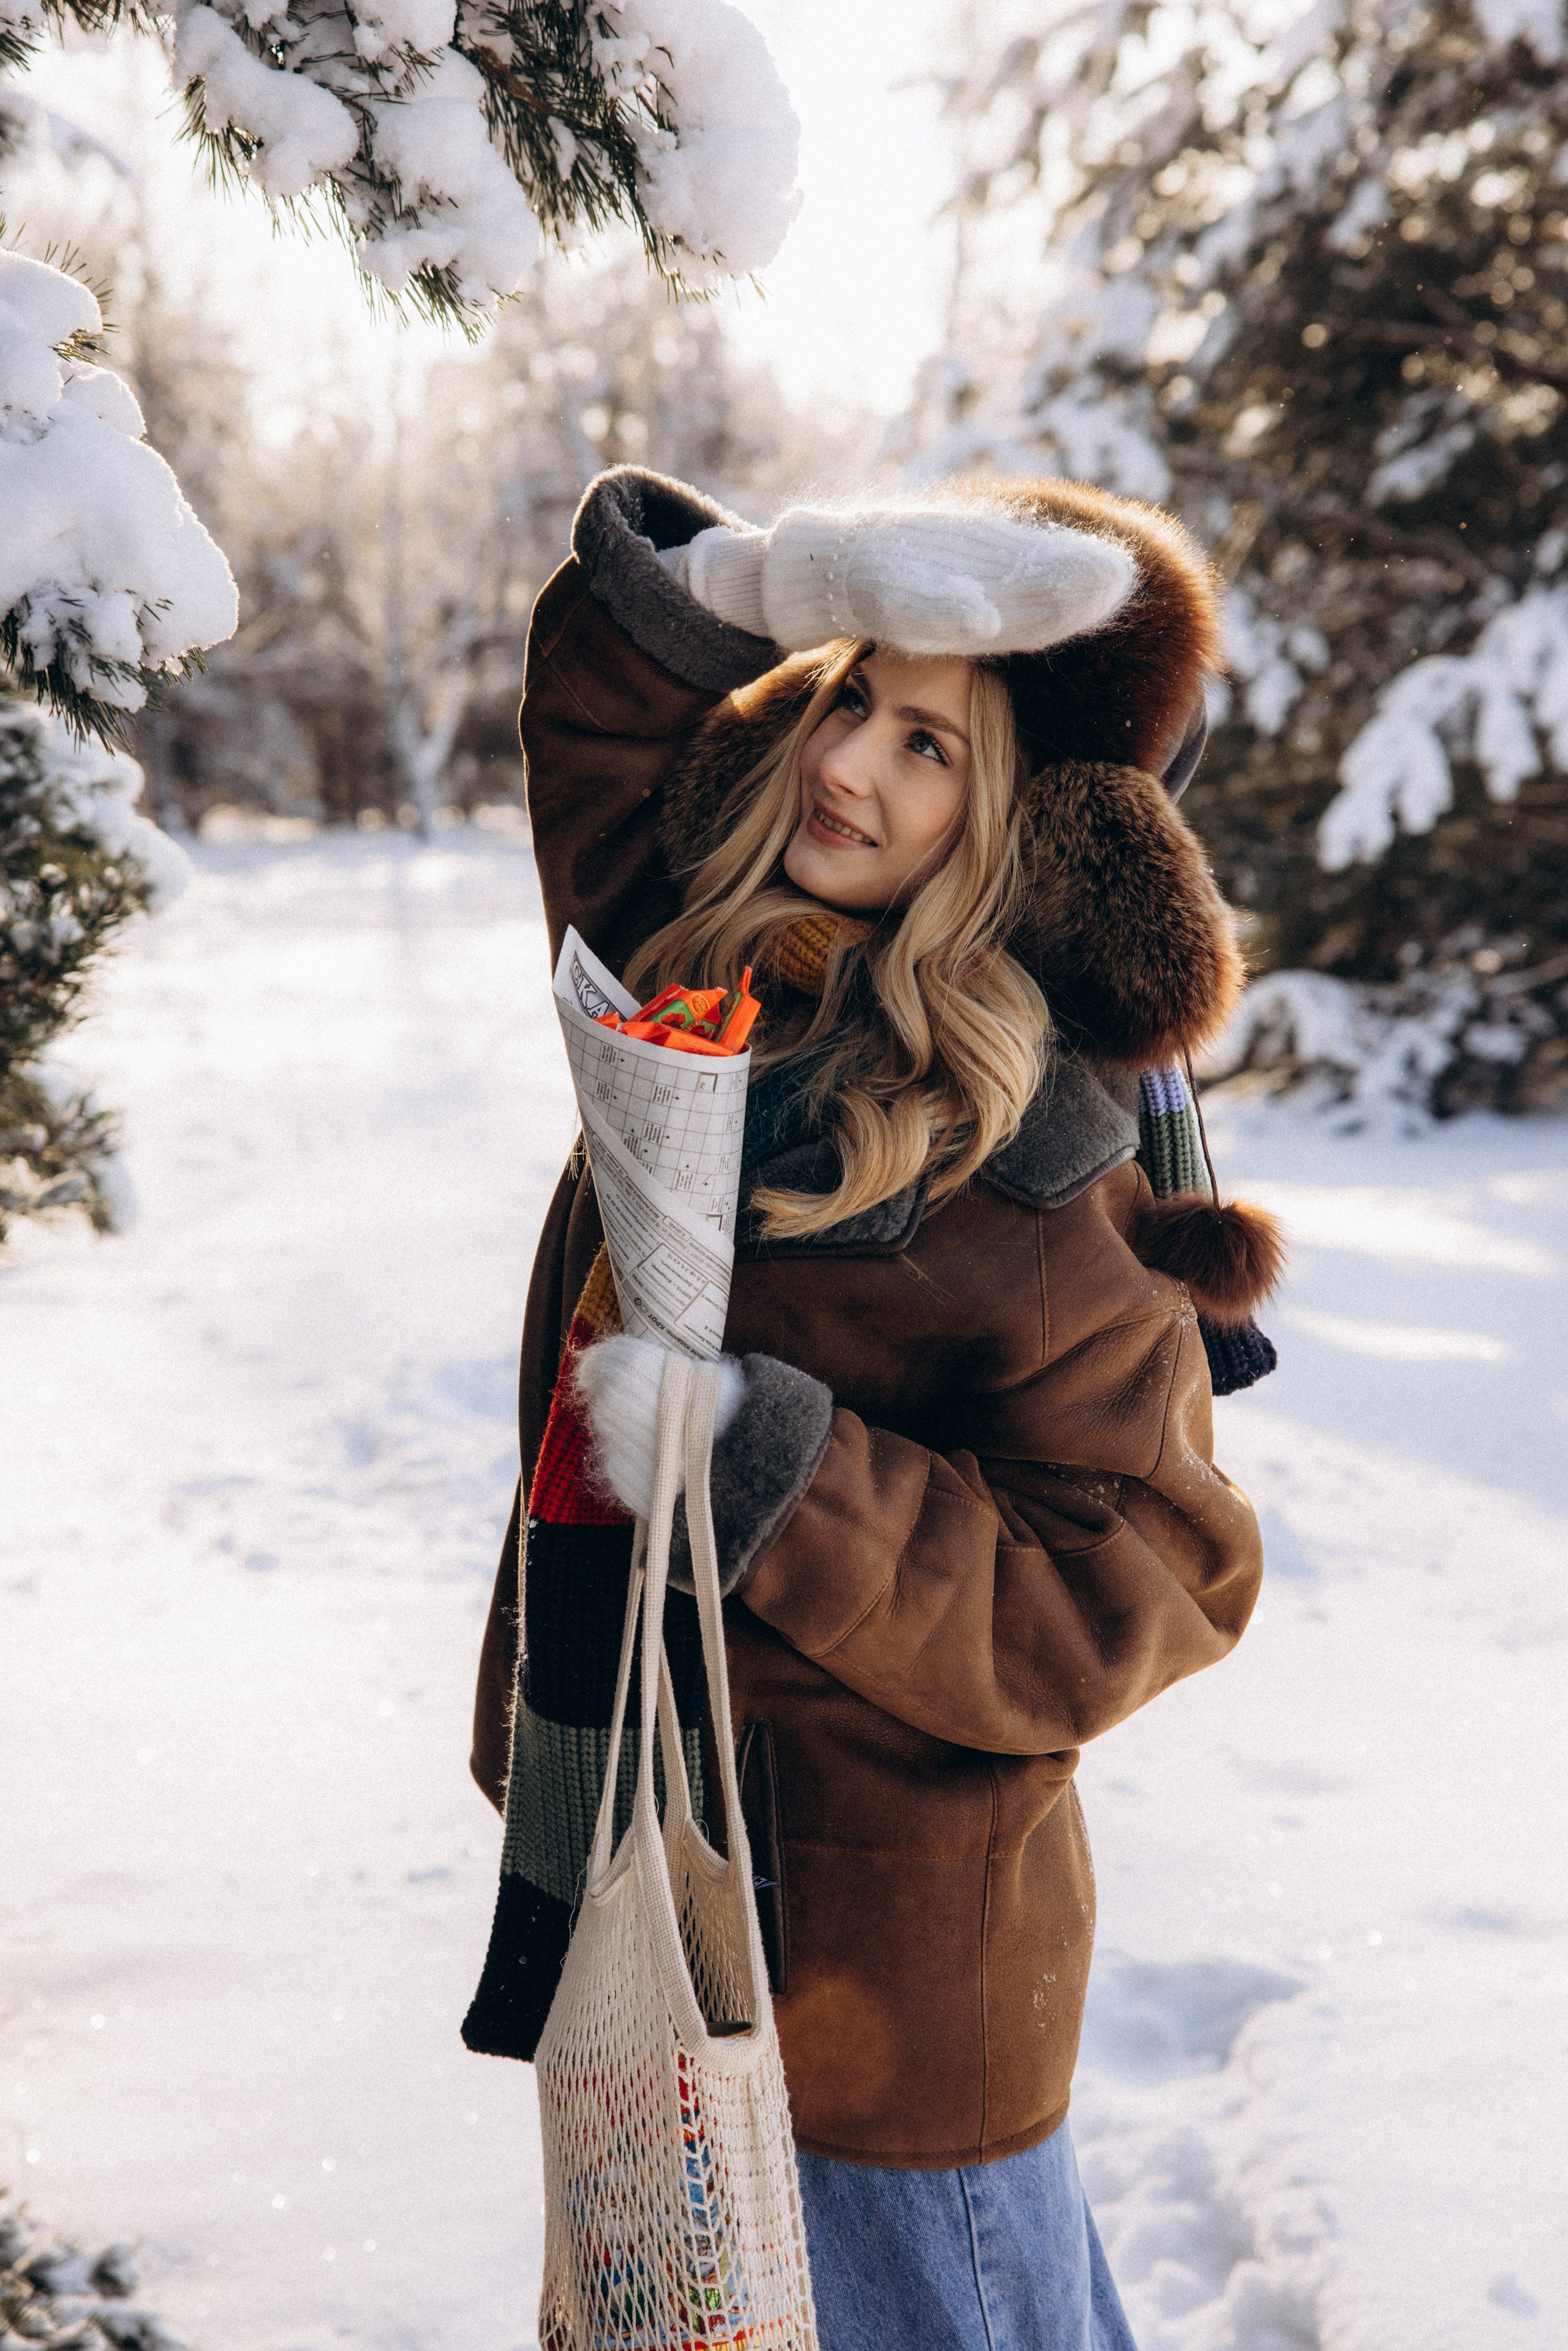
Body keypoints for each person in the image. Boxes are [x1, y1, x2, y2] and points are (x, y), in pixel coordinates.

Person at [463, 466, 1281, 2351]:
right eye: (850, 695)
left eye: (931, 746)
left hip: (902, 1997)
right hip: (658, 1898)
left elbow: (1147, 1573)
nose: (855, 770)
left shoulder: (1041, 1171)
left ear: (1008, 821)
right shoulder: (698, 976)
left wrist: (779, 1477)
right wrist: (756, 577)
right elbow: (597, 711)